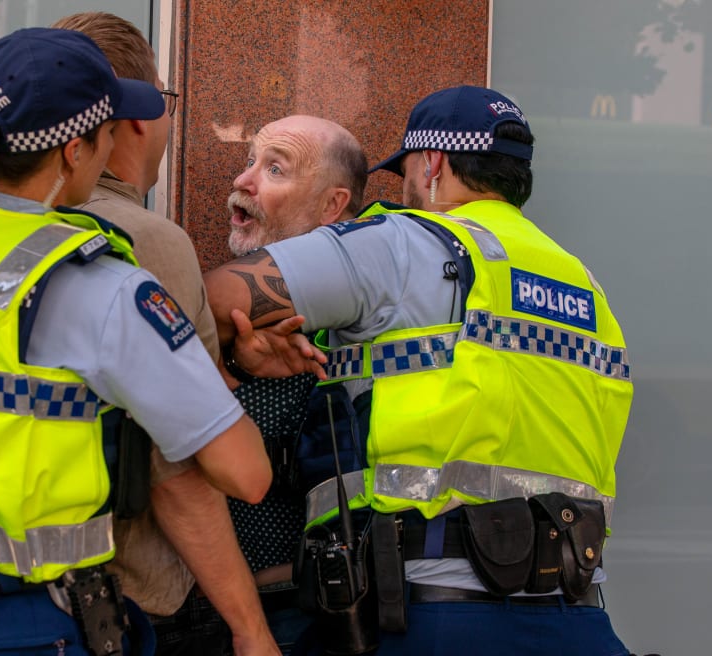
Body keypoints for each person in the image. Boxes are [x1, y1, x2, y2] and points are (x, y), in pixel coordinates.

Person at [0, 28, 272, 656]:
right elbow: (245, 474)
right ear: (74, 151)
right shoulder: (95, 284)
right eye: (107, 130)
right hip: (28, 624)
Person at [204, 85, 632, 656]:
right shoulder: (586, 288)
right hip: (577, 619)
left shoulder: (402, 244)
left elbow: (211, 298)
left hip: (430, 617)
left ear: (432, 164)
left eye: (404, 168)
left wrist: (231, 358)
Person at [50, 12, 277, 656]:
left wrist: (231, 360)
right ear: (136, 119)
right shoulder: (144, 240)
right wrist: (250, 628)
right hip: (118, 609)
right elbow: (184, 473)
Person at [223, 114, 367, 655]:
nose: (244, 180)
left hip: (305, 617)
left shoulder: (362, 321)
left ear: (333, 205)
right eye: (251, 161)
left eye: (275, 168)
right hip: (206, 612)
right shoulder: (228, 306)